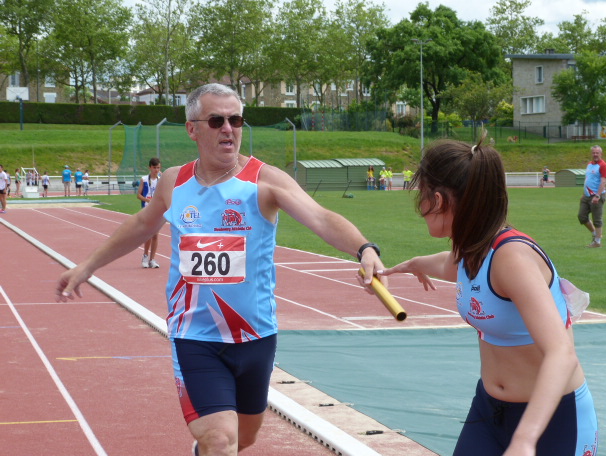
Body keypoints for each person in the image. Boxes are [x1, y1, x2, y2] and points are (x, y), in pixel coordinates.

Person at [55, 83, 384, 456]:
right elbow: (142, 225)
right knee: (219, 440)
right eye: (217, 120)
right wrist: (88, 266)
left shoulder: (264, 180)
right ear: (192, 129)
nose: (229, 128)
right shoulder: (174, 182)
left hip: (256, 336)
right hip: (195, 336)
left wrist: (364, 248)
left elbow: (321, 218)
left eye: (236, 119)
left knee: (244, 439)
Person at [379, 138, 598, 456]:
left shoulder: (512, 259)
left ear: (438, 199)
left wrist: (525, 440)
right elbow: (448, 264)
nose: (420, 207)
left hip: (552, 422)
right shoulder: (471, 248)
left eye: (420, 196)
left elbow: (562, 353)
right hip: (489, 411)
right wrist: (412, 265)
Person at [578, 145, 606, 248]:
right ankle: (595, 233)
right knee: (582, 216)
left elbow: (603, 181)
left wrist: (597, 195)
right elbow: (588, 179)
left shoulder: (603, 165)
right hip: (586, 196)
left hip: (596, 196)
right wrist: (584, 194)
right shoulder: (589, 165)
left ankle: (597, 242)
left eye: (597, 153)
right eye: (593, 153)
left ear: (601, 154)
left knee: (597, 219)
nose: (595, 154)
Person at [137, 157, 162, 269]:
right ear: (150, 167)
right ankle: (145, 256)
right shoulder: (144, 179)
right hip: (147, 209)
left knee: (155, 235)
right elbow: (138, 195)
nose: (156, 170)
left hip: (157, 209)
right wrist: (148, 200)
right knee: (148, 234)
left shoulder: (161, 179)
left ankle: (152, 259)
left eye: (158, 168)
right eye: (154, 167)